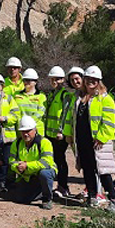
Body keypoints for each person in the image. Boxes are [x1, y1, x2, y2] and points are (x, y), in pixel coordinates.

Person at [64, 66, 115, 212]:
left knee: (104, 171)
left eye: (94, 80)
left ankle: (112, 200)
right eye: (88, 79)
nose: (91, 82)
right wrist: (69, 135)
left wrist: (101, 138)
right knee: (87, 169)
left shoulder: (105, 99)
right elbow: (71, 119)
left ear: (99, 81)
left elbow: (109, 122)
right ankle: (92, 197)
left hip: (98, 142)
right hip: (82, 140)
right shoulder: (78, 98)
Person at [1, 116, 57, 210]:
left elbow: (47, 162)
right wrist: (18, 167)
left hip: (42, 172)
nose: (25, 134)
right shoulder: (17, 143)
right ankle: (39, 191)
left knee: (45, 174)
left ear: (35, 130)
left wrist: (27, 166)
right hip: (27, 175)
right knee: (21, 199)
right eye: (23, 131)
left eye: (28, 131)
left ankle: (47, 199)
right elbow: (11, 161)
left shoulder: (44, 142)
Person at [43, 66, 73, 197]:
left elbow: (65, 113)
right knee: (53, 160)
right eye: (53, 79)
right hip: (50, 134)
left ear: (63, 80)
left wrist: (61, 131)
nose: (55, 81)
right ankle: (57, 186)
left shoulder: (65, 95)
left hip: (59, 135)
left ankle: (63, 186)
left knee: (60, 160)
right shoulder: (52, 94)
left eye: (58, 79)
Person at [14, 69, 47, 137]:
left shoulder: (41, 96)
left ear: (35, 82)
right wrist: (21, 123)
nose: (26, 82)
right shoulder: (16, 95)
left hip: (37, 130)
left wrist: (28, 124)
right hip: (21, 130)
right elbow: (15, 111)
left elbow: (40, 113)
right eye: (25, 80)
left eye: (29, 80)